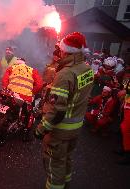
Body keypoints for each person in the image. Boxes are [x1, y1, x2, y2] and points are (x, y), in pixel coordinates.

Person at [34, 32, 94, 189]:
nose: (59, 52)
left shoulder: (65, 74)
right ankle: (66, 184)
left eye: (61, 49)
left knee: (54, 164)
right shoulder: (86, 69)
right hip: (75, 128)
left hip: (59, 131)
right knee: (66, 159)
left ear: (67, 51)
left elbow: (57, 110)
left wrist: (41, 129)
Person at [116, 62, 130, 165]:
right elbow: (126, 86)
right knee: (123, 128)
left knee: (126, 129)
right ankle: (124, 148)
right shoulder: (127, 75)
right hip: (127, 103)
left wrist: (126, 92)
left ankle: (127, 154)